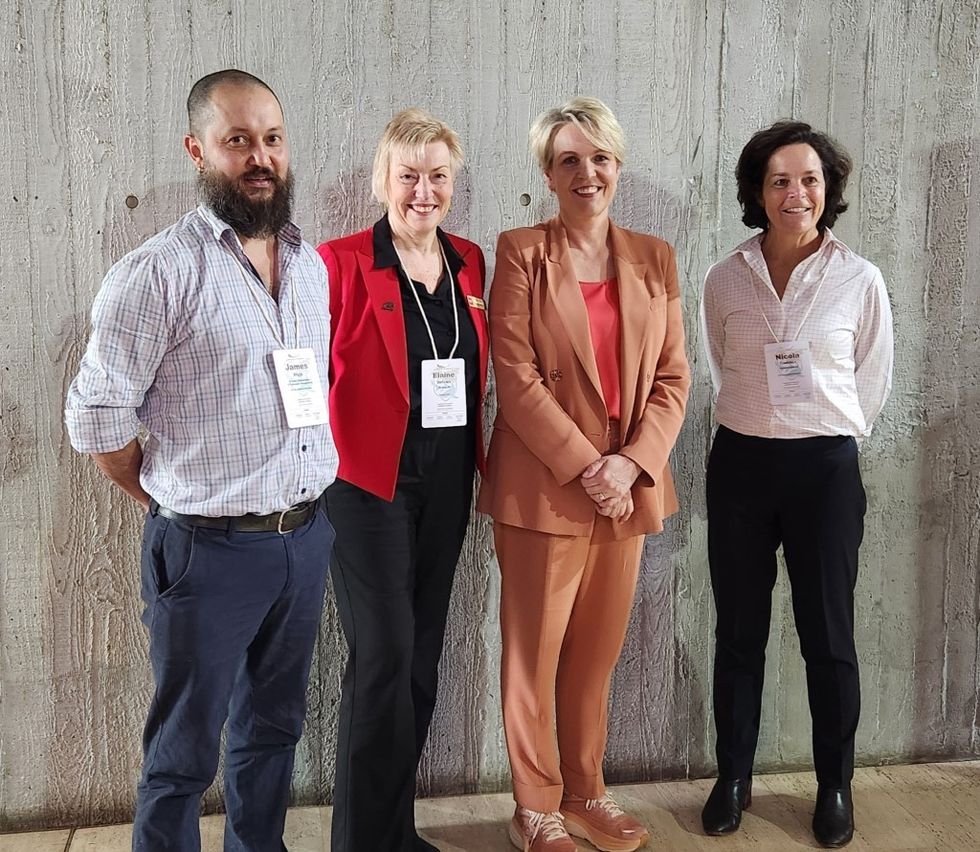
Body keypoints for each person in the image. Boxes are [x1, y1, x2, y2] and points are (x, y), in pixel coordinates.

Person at [64, 70, 338, 852]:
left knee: (273, 730)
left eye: (272, 139)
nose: (261, 157)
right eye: (238, 140)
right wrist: (161, 497)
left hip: (305, 538)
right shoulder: (158, 272)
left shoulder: (309, 265)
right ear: (198, 150)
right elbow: (96, 418)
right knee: (183, 752)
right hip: (206, 551)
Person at [477, 96, 690, 852]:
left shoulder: (655, 257)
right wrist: (588, 465)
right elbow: (515, 374)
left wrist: (629, 464)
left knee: (596, 655)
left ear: (618, 166)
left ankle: (585, 792)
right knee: (533, 659)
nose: (586, 172)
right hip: (546, 488)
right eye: (568, 159)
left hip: (625, 491)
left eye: (599, 157)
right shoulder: (520, 252)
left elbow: (673, 378)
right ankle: (534, 806)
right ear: (548, 173)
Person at [699, 120, 893, 848]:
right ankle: (734, 777)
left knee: (829, 636)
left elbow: (871, 380)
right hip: (741, 466)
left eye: (809, 179)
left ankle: (835, 785)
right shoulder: (724, 277)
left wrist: (822, 430)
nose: (795, 194)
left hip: (824, 471)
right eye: (779, 180)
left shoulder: (859, 278)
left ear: (827, 188)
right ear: (757, 192)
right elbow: (720, 366)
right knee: (738, 633)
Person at [316, 108, 488, 852]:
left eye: (438, 176)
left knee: (420, 657)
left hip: (448, 478)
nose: (424, 191)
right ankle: (360, 841)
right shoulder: (339, 262)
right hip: (367, 482)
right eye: (409, 175)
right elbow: (308, 374)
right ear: (381, 179)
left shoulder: (470, 263)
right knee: (383, 654)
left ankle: (396, 831)